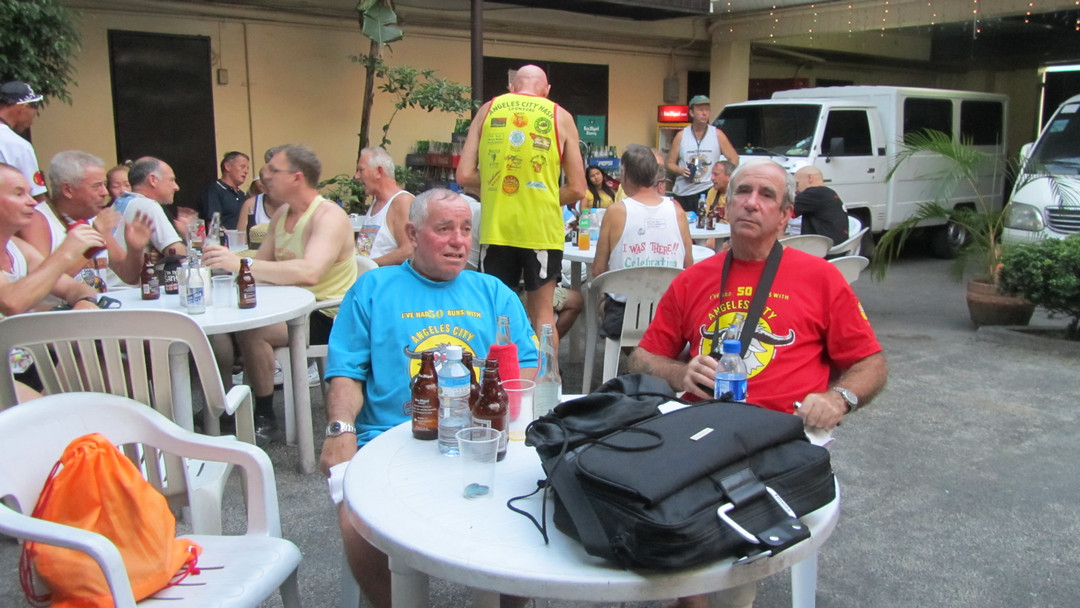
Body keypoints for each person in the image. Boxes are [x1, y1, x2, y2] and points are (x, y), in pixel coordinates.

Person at [628, 159, 888, 608]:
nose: (752, 203)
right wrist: (680, 373)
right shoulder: (694, 279)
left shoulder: (820, 278)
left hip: (777, 439)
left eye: (767, 195)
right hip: (698, 433)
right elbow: (641, 358)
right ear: (727, 206)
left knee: (712, 534)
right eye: (743, 192)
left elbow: (872, 363)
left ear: (786, 215)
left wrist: (838, 397)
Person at [318, 188, 538, 608]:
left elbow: (526, 365)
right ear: (413, 234)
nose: (458, 241)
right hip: (389, 440)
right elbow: (346, 373)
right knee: (355, 521)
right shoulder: (373, 288)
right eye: (444, 229)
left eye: (466, 230)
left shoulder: (493, 292)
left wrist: (501, 417)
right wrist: (340, 429)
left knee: (528, 520)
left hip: (479, 442)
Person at [202, 144, 357, 442]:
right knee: (220, 325)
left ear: (297, 177)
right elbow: (261, 268)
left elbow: (309, 271)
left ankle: (264, 416)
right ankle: (223, 406)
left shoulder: (328, 216)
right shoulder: (283, 214)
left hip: (323, 314)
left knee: (252, 330)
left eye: (274, 170)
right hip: (287, 308)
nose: (265, 175)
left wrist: (240, 264)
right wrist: (231, 271)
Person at [457, 64, 587, 355]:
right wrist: (538, 197)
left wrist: (498, 191)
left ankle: (499, 377)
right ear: (547, 90)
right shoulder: (560, 116)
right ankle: (547, 379)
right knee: (543, 317)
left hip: (497, 228)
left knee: (496, 315)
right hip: (541, 231)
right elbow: (578, 188)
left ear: (512, 88)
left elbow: (464, 175)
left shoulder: (488, 110)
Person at [593, 144, 693, 338]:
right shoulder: (677, 211)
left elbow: (598, 271)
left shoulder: (616, 212)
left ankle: (631, 352)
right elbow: (688, 268)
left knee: (602, 300)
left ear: (624, 175)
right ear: (655, 175)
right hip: (670, 316)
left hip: (624, 318)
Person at [17, 151, 152, 290]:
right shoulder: (38, 220)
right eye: (97, 186)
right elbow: (41, 283)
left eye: (105, 184)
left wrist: (135, 250)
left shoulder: (93, 218)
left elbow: (129, 277)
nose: (105, 192)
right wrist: (91, 244)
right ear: (67, 190)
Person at [0, 162, 103, 315]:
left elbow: (73, 287)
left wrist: (84, 301)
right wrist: (66, 252)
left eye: (29, 193)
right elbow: (11, 303)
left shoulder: (18, 248)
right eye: (19, 194)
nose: (32, 201)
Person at [111, 157, 187, 275]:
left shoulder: (119, 203)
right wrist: (186, 234)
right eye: (171, 180)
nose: (176, 187)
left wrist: (160, 253)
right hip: (129, 285)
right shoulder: (147, 205)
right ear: (153, 180)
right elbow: (178, 254)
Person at [666, 95, 739, 213]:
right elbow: (670, 163)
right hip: (683, 191)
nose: (704, 113)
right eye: (700, 110)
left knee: (705, 220)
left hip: (707, 189)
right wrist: (681, 170)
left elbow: (734, 158)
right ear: (691, 112)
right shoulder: (681, 136)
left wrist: (723, 176)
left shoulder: (717, 134)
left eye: (707, 110)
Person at [353, 147, 414, 266]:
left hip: (383, 276)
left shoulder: (402, 201)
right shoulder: (377, 202)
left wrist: (369, 266)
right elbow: (365, 248)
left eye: (361, 170)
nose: (357, 176)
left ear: (379, 171)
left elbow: (409, 251)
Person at [0, 81, 47, 203]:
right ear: (23, 108)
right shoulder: (19, 145)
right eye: (34, 110)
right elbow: (37, 197)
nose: (32, 121)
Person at [793, 165, 849, 245]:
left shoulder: (813, 193)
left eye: (797, 184)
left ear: (810, 178)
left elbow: (784, 211)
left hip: (822, 248)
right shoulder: (828, 192)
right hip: (837, 247)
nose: (795, 189)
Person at [198, 151, 250, 229]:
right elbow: (214, 225)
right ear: (228, 166)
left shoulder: (241, 195)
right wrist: (231, 236)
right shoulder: (214, 191)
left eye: (247, 168)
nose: (246, 171)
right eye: (242, 167)